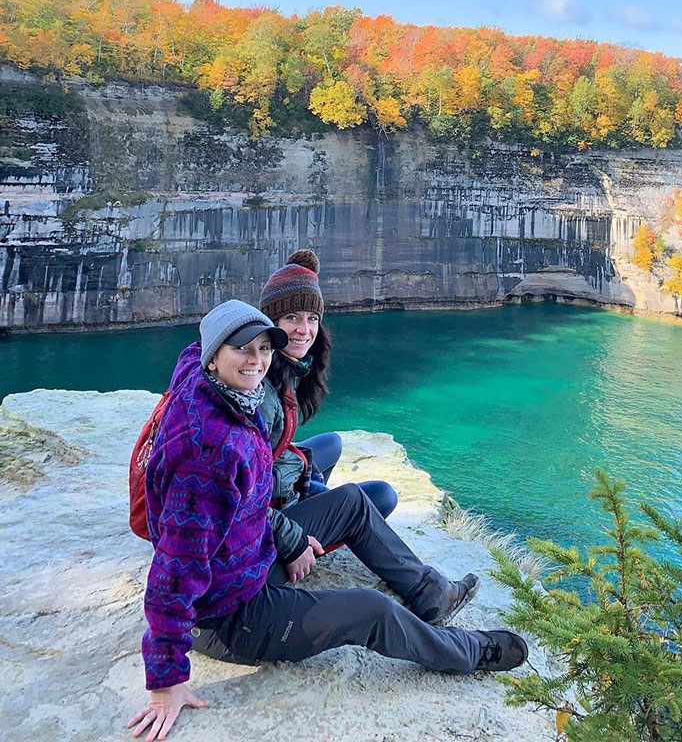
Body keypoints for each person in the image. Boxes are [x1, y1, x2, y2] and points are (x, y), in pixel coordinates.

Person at [128, 300, 528, 742]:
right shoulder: (208, 453)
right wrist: (164, 682)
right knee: (371, 611)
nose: (257, 361)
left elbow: (244, 505)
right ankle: (468, 652)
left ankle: (430, 595)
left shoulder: (215, 388)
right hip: (229, 616)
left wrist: (288, 536)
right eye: (242, 349)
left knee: (353, 503)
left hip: (249, 559)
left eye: (263, 348)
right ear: (213, 353)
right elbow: (173, 572)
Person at [257, 250, 399, 584]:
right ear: (271, 323)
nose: (304, 330)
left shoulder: (279, 365)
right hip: (266, 518)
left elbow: (270, 454)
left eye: (312, 319)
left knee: (331, 443)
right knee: (379, 497)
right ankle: (325, 521)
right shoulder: (259, 384)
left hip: (276, 488)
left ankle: (318, 505)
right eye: (292, 318)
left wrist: (301, 472)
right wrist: (301, 487)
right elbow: (249, 489)